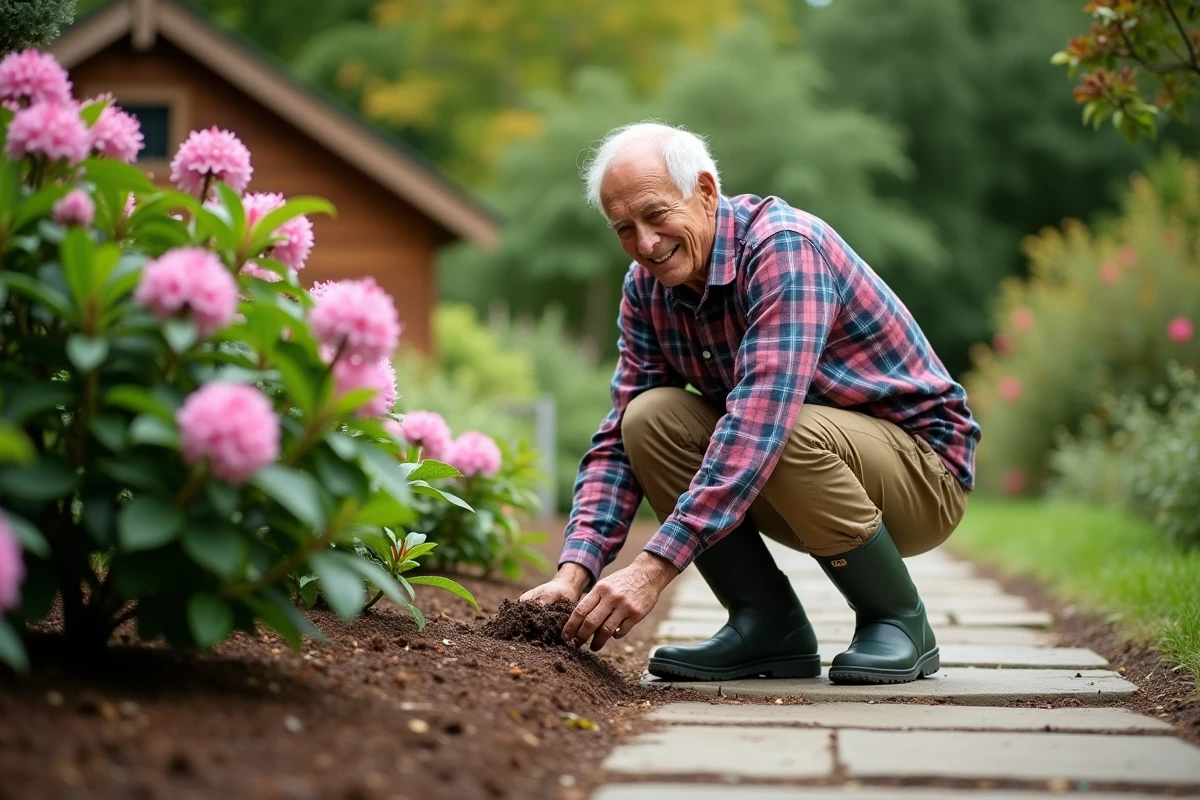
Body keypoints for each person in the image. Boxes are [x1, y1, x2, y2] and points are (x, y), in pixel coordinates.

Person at [519, 121, 980, 685]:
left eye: (656, 214)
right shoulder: (646, 288)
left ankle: (897, 619)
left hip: (921, 478)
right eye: (624, 228)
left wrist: (653, 568)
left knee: (781, 428)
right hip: (799, 474)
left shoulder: (785, 248)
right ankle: (766, 626)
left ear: (706, 193)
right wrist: (574, 574)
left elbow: (761, 422)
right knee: (648, 419)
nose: (645, 244)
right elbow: (619, 440)